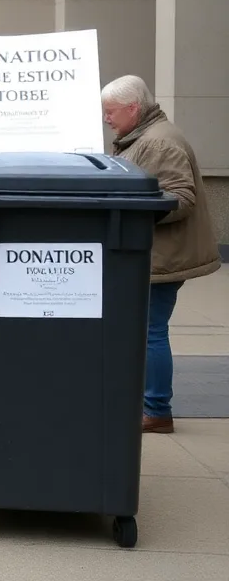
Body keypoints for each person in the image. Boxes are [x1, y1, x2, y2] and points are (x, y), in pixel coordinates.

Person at [102, 75, 220, 434]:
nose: (107, 119)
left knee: (151, 331)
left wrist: (132, 215)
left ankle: (156, 410)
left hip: (161, 257)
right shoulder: (145, 137)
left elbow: (182, 197)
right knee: (145, 330)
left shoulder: (160, 143)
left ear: (134, 108)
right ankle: (147, 403)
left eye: (111, 112)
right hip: (153, 254)